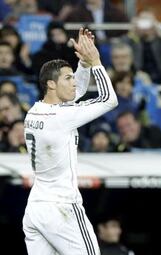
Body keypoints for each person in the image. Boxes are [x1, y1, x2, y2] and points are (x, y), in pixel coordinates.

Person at [22, 28, 118, 255]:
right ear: (51, 84)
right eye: (68, 78)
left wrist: (82, 65)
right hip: (62, 206)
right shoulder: (60, 117)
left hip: (36, 208)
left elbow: (75, 94)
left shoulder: (35, 111)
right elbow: (108, 99)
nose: (74, 82)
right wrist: (95, 62)